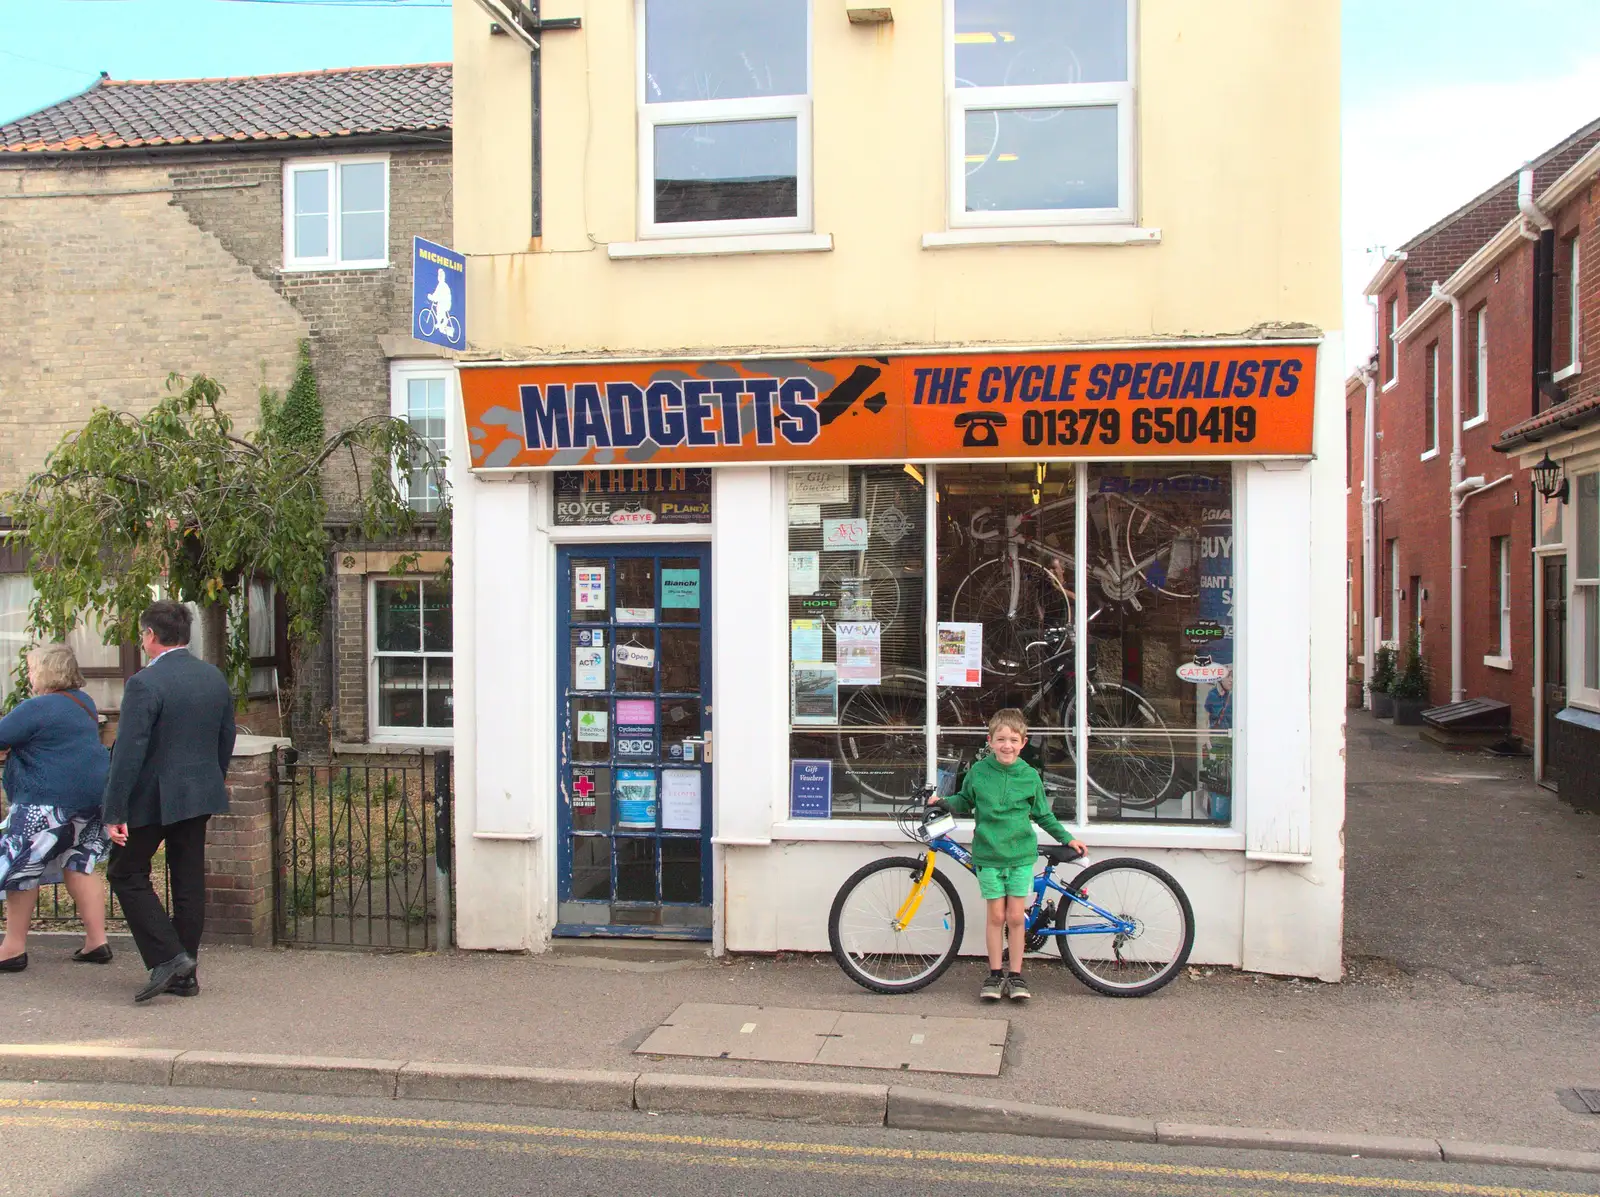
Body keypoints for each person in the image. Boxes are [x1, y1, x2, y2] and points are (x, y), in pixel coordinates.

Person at [103, 601, 236, 1003]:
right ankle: (185, 973)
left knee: (125, 874)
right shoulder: (212, 676)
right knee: (187, 879)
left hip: (152, 797)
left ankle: (169, 959)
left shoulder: (145, 683)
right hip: (199, 793)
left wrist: (114, 810)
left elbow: (128, 752)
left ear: (150, 636)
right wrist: (212, 779)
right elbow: (225, 737)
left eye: (142, 635)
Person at [932, 708, 1084, 1003]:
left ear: (1023, 743)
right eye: (1000, 739)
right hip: (988, 856)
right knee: (996, 916)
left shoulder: (1029, 776)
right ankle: (994, 973)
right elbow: (964, 799)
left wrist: (1068, 838)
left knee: (1016, 917)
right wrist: (943, 803)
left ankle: (1016, 975)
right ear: (990, 741)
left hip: (1020, 857)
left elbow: (1043, 815)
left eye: (1013, 740)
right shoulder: (978, 772)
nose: (1007, 745)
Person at [0, 644, 112, 971]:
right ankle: (97, 941)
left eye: (32, 669)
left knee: (23, 868)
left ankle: (12, 949)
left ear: (47, 672)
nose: (30, 675)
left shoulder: (37, 707)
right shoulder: (84, 703)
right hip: (91, 800)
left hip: (44, 801)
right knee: (80, 864)